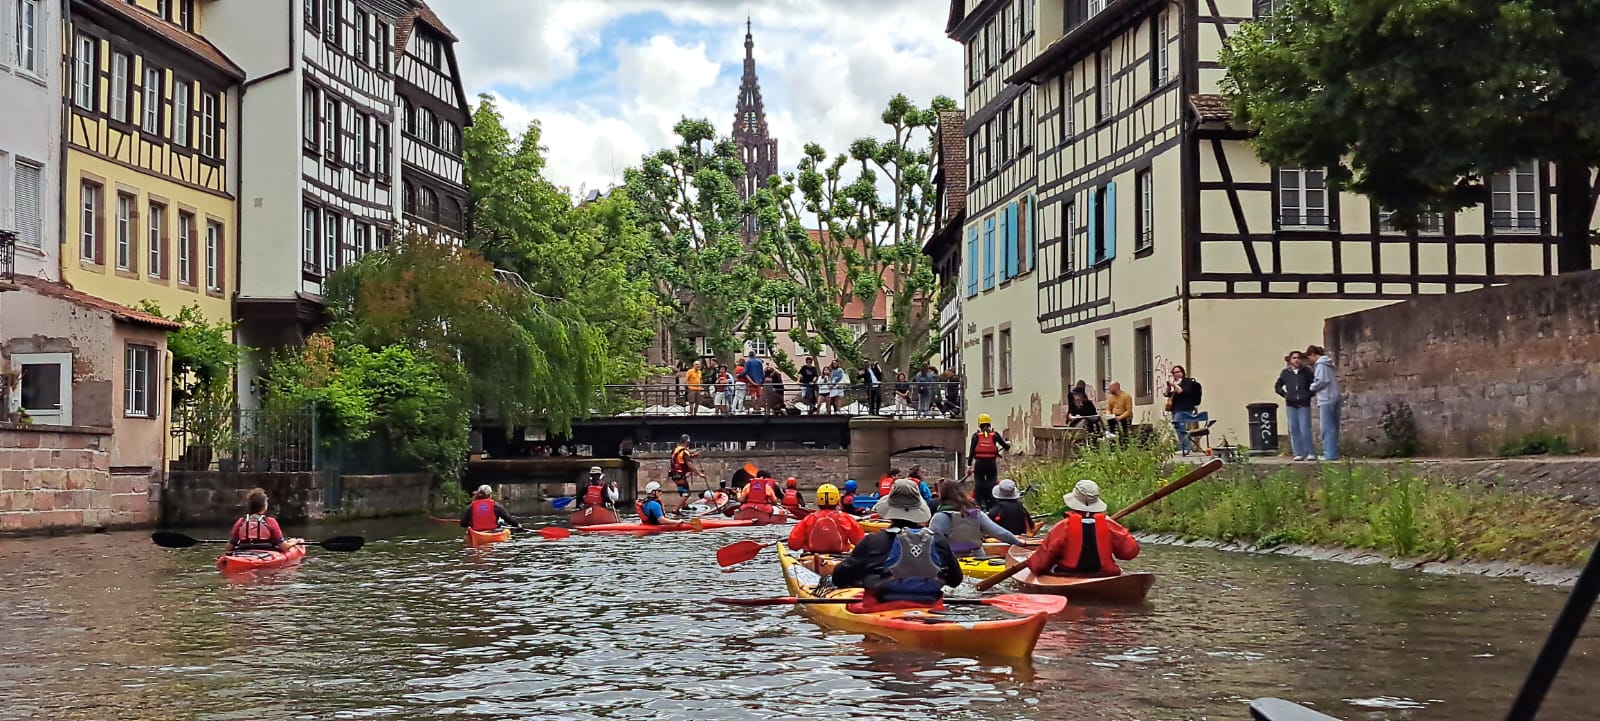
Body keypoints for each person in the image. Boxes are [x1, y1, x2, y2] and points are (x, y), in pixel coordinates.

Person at [831, 479, 963, 605]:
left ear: (890, 510)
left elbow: (839, 578)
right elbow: (955, 580)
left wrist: (863, 577)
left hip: (882, 608)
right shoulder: (939, 540)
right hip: (931, 609)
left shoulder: (873, 542)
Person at [1026, 480, 1139, 576]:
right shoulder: (1109, 524)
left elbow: (1039, 565)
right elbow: (1130, 552)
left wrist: (1031, 561)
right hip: (1103, 574)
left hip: (1068, 574)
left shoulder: (1063, 527)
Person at [930, 479, 1023, 557]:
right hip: (977, 557)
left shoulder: (939, 517)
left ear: (942, 494)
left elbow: (931, 543)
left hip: (951, 560)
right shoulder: (977, 514)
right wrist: (1018, 542)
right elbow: (1000, 532)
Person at [786, 483, 865, 554]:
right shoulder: (846, 518)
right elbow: (861, 543)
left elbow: (793, 545)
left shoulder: (808, 519)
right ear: (837, 500)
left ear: (818, 500)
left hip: (811, 558)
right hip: (840, 560)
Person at [229, 488, 299, 552]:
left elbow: (229, 547)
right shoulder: (270, 521)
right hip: (266, 553)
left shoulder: (241, 521)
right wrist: (294, 542)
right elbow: (283, 547)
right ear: (265, 506)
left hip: (243, 553)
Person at [1275, 350, 1315, 461]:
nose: (1296, 360)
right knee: (1294, 428)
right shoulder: (1286, 373)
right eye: (1294, 358)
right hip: (1291, 404)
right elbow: (1278, 386)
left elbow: (1314, 384)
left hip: (1303, 403)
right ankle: (1298, 453)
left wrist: (1308, 395)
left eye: (1298, 358)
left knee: (1305, 428)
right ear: (1290, 360)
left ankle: (1310, 452)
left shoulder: (1306, 372)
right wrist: (1286, 395)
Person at [967, 414, 1010, 509]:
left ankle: (979, 504)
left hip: (979, 464)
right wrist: (1008, 445)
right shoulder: (995, 435)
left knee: (979, 483)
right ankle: (992, 505)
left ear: (979, 425)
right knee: (992, 482)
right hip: (991, 463)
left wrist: (969, 465)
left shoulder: (976, 436)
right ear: (989, 423)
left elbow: (971, 451)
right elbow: (1005, 446)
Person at [1306, 344, 1341, 461]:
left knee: (1327, 427)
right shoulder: (1328, 364)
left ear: (1312, 355)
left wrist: (1312, 387)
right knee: (1334, 427)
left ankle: (1329, 454)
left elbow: (1322, 380)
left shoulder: (1320, 364)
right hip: (1335, 396)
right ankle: (1333, 452)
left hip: (1326, 398)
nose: (1309, 360)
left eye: (1309, 357)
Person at [1164, 366, 1205, 455]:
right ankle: (1183, 446)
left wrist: (1174, 385)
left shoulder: (1188, 382)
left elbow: (1183, 392)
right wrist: (1168, 387)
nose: (1176, 374)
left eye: (1178, 372)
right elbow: (1167, 394)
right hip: (1175, 408)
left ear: (1182, 372)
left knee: (1180, 425)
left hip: (1185, 408)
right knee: (1178, 427)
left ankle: (1186, 447)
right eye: (1174, 372)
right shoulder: (1176, 383)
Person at [669, 434, 706, 512]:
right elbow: (690, 464)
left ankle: (685, 506)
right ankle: (675, 510)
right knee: (686, 493)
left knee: (682, 490)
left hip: (674, 474)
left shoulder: (676, 449)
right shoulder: (684, 451)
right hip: (679, 474)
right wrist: (699, 474)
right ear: (687, 442)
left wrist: (692, 455)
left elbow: (680, 457)